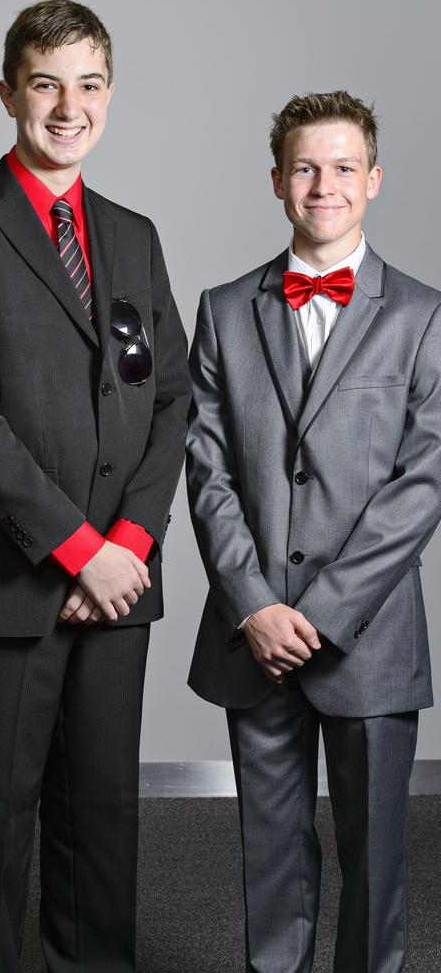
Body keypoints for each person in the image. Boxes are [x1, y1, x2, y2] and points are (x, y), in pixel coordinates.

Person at [0, 0, 191, 973]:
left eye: (89, 84)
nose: (68, 106)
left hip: (121, 583)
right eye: (46, 84)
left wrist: (130, 547)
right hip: (18, 582)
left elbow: (172, 401)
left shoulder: (132, 233)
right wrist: (77, 548)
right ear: (8, 93)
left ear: (109, 94)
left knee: (101, 822)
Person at [186, 90, 441, 972]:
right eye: (304, 167)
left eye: (341, 168)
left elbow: (424, 482)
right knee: (271, 856)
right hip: (254, 634)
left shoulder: (423, 315)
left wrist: (323, 610)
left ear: (373, 180)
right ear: (276, 181)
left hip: (367, 637)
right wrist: (254, 604)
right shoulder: (223, 310)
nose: (322, 184)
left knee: (376, 863)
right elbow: (206, 470)